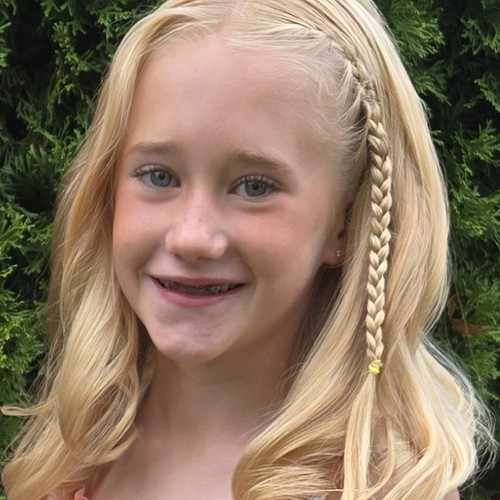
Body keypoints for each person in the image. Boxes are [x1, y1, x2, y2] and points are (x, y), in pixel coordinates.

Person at [2, 0, 495, 498]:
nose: (191, 236)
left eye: (254, 187)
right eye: (159, 176)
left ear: (345, 223)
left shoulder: (385, 488)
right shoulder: (71, 458)